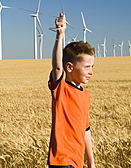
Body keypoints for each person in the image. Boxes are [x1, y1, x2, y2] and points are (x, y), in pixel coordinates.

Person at [48, 13, 96, 168]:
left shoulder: (86, 95)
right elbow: (56, 66)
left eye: (92, 67)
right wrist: (60, 35)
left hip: (77, 162)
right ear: (69, 67)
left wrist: (91, 161)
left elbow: (85, 130)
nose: (91, 72)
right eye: (87, 67)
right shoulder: (61, 89)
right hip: (62, 161)